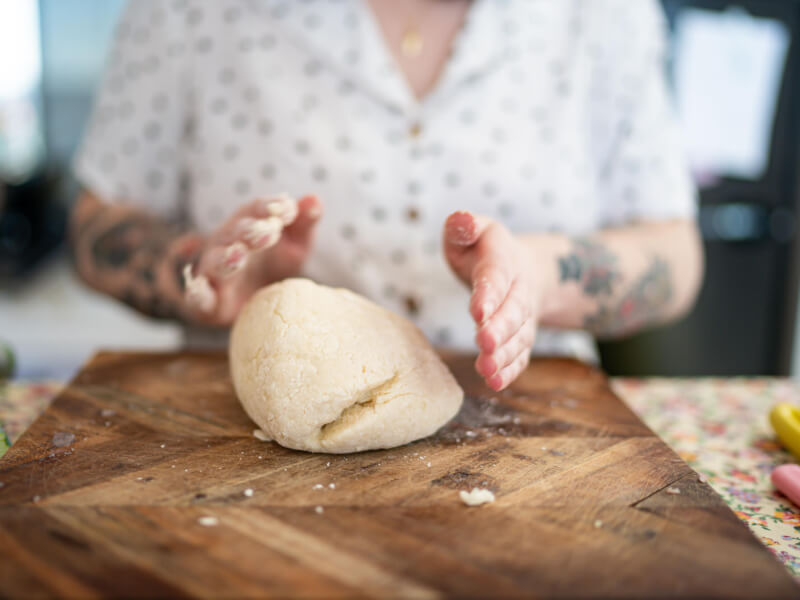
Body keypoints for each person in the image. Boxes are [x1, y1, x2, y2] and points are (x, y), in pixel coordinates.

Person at [70, 0, 704, 391]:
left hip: (538, 437)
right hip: (232, 433)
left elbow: (674, 256)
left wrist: (538, 277)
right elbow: (95, 225)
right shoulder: (189, 11)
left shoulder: (604, 15)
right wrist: (195, 270)